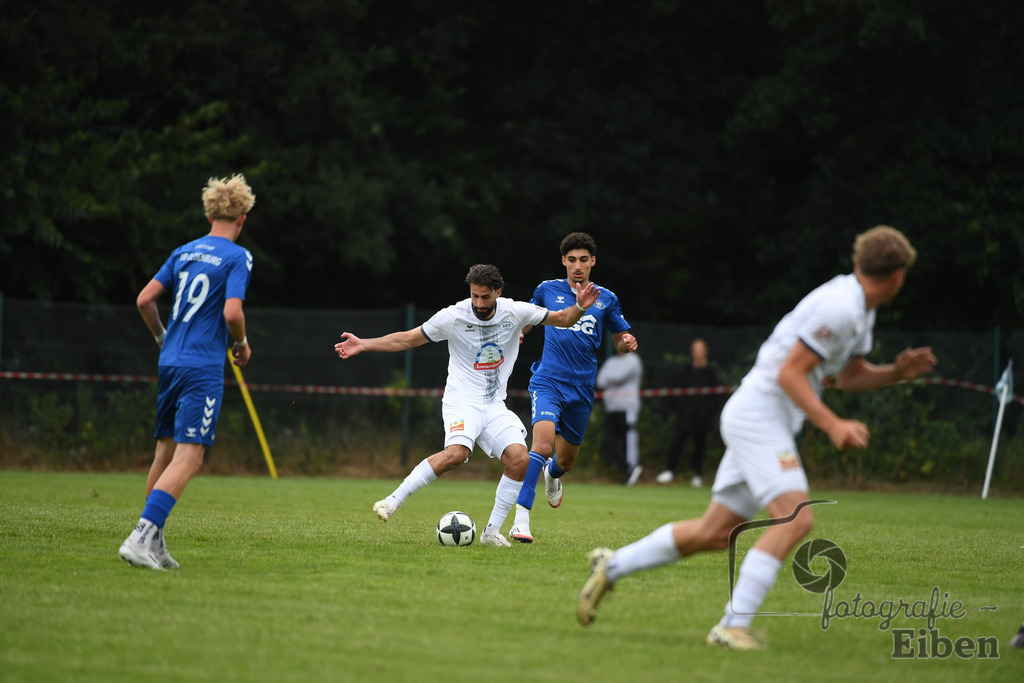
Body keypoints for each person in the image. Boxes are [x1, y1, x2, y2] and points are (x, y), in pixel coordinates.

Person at [576, 226, 937, 650]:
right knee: (797, 518)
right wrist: (832, 424)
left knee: (715, 533)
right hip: (758, 416)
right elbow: (790, 373)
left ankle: (612, 565)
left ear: (859, 265)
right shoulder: (841, 307)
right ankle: (731, 625)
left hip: (768, 420)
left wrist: (895, 373)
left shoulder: (861, 309)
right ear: (898, 277)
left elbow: (848, 374)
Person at [335, 264, 599, 547]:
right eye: (474, 296)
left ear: (498, 292)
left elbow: (562, 318)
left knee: (519, 460)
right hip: (462, 402)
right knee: (457, 454)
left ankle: (490, 532)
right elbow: (409, 338)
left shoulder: (515, 311)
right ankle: (391, 501)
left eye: (485, 297)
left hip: (495, 405)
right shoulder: (453, 316)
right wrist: (364, 344)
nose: (479, 303)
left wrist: (580, 308)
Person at [119, 174, 256, 570]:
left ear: (210, 212)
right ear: (242, 218)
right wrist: (241, 343)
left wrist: (162, 337)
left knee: (164, 452)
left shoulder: (184, 252)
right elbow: (232, 312)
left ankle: (154, 543)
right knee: (191, 456)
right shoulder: (237, 256)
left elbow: (145, 299)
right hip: (201, 366)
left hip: (171, 362)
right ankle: (141, 536)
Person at [508, 232, 638, 544]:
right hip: (548, 381)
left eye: (583, 260)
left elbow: (620, 340)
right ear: (564, 262)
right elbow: (526, 319)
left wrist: (626, 343)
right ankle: (521, 520)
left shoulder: (606, 298)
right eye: (571, 260)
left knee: (564, 462)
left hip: (581, 389)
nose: (577, 266)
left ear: (593, 261)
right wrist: (519, 333)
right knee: (541, 446)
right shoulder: (546, 290)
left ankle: (552, 475)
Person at [657, 338, 721, 487]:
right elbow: (678, 392)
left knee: (700, 444)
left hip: (703, 416)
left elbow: (715, 396)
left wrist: (708, 410)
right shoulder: (686, 371)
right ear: (692, 352)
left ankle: (697, 475)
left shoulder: (711, 373)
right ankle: (670, 470)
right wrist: (682, 408)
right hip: (686, 415)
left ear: (705, 352)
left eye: (701, 350)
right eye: (695, 350)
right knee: (678, 441)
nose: (698, 353)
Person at [596, 345, 643, 485]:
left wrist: (612, 378)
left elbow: (618, 376)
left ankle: (632, 470)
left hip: (628, 408)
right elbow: (600, 381)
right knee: (608, 441)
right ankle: (628, 469)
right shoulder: (611, 362)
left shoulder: (633, 360)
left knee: (629, 441)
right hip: (611, 408)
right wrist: (614, 379)